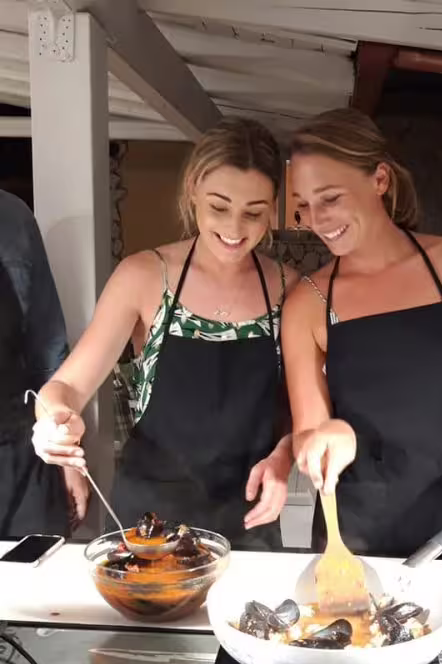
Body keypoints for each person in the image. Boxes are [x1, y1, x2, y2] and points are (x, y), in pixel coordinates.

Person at [32, 118, 298, 549]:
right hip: (149, 518)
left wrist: (284, 455)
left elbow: (298, 408)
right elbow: (63, 387)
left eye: (254, 213)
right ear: (193, 189)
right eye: (218, 206)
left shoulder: (288, 287)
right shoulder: (143, 276)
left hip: (249, 519)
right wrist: (55, 425)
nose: (234, 229)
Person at [282, 108, 442, 559]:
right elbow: (307, 430)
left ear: (379, 179)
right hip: (360, 532)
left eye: (330, 198)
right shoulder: (309, 300)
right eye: (303, 204)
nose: (316, 219)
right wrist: (328, 432)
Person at [0, 190, 89, 539]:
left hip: (18, 456)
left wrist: (69, 459)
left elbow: (48, 353)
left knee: (41, 586)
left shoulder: (11, 218)